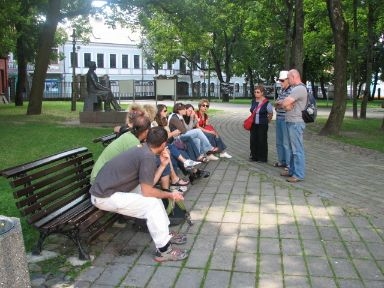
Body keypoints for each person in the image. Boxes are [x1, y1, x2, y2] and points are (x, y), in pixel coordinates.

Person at [90, 127, 189, 262]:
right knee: (152, 204)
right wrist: (171, 195)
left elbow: (149, 185)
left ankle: (165, 234)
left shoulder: (143, 149)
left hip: (111, 189)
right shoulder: (147, 156)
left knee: (154, 197)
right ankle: (164, 251)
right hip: (104, 196)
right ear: (163, 144)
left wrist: (162, 165)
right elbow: (148, 191)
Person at [277, 69, 307, 183]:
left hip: (296, 122)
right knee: (292, 148)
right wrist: (286, 104)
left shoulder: (299, 88)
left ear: (294, 77)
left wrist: (284, 103)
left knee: (297, 150)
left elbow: (284, 103)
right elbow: (285, 104)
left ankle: (298, 174)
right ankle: (292, 171)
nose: (288, 81)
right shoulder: (295, 89)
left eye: (288, 78)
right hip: (291, 121)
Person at [249, 85, 274, 162]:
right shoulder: (253, 101)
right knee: (253, 140)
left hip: (262, 124)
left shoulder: (266, 103)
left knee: (262, 140)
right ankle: (254, 156)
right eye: (255, 92)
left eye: (258, 92)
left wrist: (267, 121)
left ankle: (262, 158)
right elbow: (252, 110)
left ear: (262, 93)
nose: (256, 93)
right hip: (253, 124)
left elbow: (270, 113)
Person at [274, 71, 291, 169]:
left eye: (282, 80)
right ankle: (282, 161)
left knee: (286, 142)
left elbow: (285, 104)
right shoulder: (282, 91)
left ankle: (288, 163)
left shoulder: (291, 90)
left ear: (288, 80)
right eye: (280, 80)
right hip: (279, 117)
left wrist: (280, 103)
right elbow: (277, 103)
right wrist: (279, 103)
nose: (280, 82)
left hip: (286, 118)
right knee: (279, 141)